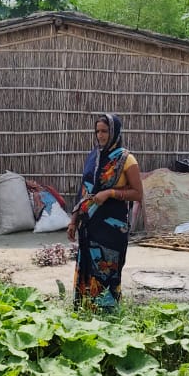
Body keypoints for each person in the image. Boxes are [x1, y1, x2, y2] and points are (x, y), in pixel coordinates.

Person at [67, 113, 143, 311]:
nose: (100, 136)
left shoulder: (127, 159)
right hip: (89, 224)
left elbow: (138, 194)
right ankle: (87, 312)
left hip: (111, 228)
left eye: (105, 131)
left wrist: (109, 192)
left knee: (107, 269)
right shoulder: (94, 156)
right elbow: (83, 190)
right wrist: (74, 220)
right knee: (89, 269)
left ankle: (107, 315)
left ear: (115, 132)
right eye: (97, 131)